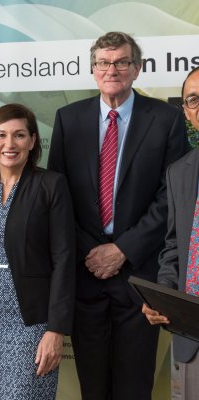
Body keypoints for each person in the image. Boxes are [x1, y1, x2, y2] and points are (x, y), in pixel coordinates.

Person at [48, 31, 188, 400]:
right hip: (85, 274)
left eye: (122, 62)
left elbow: (170, 198)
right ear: (93, 70)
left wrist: (122, 249)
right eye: (104, 63)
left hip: (140, 277)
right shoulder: (68, 119)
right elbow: (57, 200)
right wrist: (90, 252)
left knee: (134, 387)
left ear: (137, 69)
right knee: (93, 388)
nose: (113, 69)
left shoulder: (166, 119)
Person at [0, 103, 75, 400]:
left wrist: (56, 330)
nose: (9, 144)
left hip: (32, 321)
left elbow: (64, 259)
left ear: (32, 141)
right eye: (1, 135)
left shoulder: (51, 185)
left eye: (19, 135)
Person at [143, 66, 199, 400]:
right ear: (187, 112)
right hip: (190, 340)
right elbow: (173, 250)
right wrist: (161, 296)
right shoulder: (180, 172)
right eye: (193, 99)